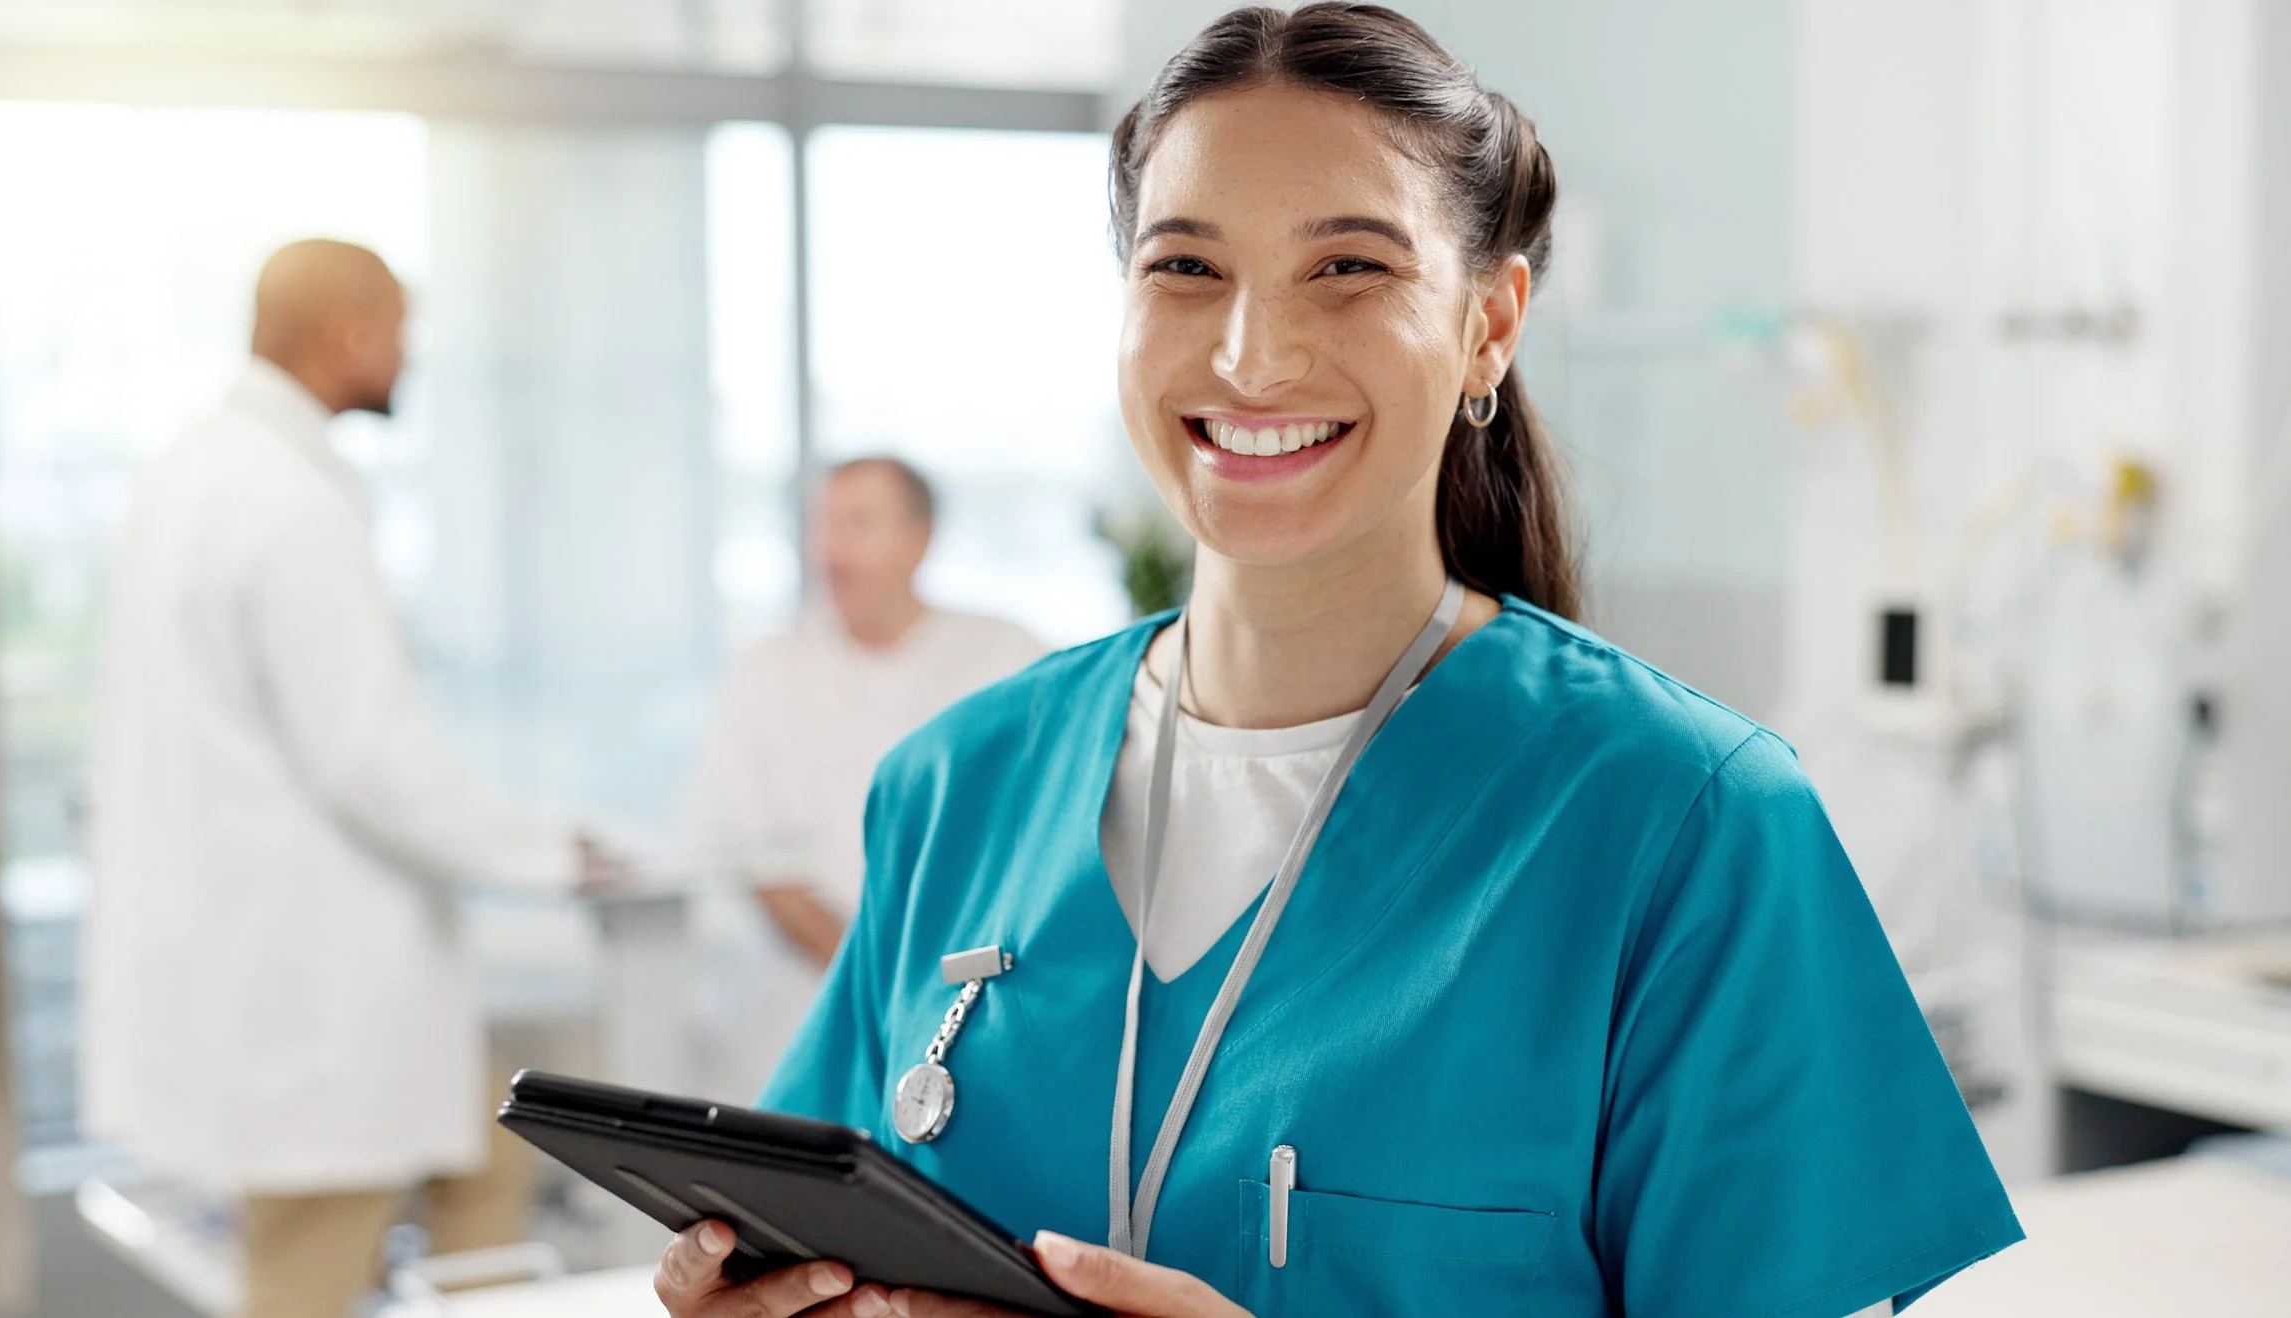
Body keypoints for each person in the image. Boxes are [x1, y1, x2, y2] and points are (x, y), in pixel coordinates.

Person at [652, 7, 2022, 1317]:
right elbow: (819, 1234)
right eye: (1185, 266)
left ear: (1490, 323)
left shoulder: (1684, 824)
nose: (1253, 353)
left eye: (1349, 267)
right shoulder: (959, 784)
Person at [84, 239, 622, 1318]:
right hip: (307, 990)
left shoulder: (192, 471)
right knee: (307, 1269)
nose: (406, 357)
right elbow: (370, 756)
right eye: (401, 333)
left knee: (488, 1151)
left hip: (251, 951)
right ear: (351, 335)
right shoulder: (289, 501)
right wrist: (545, 851)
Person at [685, 456, 1047, 1102]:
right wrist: (879, 980)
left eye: (859, 524)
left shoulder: (1007, 659)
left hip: (971, 1010)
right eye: (822, 525)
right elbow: (760, 860)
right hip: (796, 1014)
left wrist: (934, 987)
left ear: (919, 539)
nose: (832, 549)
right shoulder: (769, 671)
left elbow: (1041, 840)